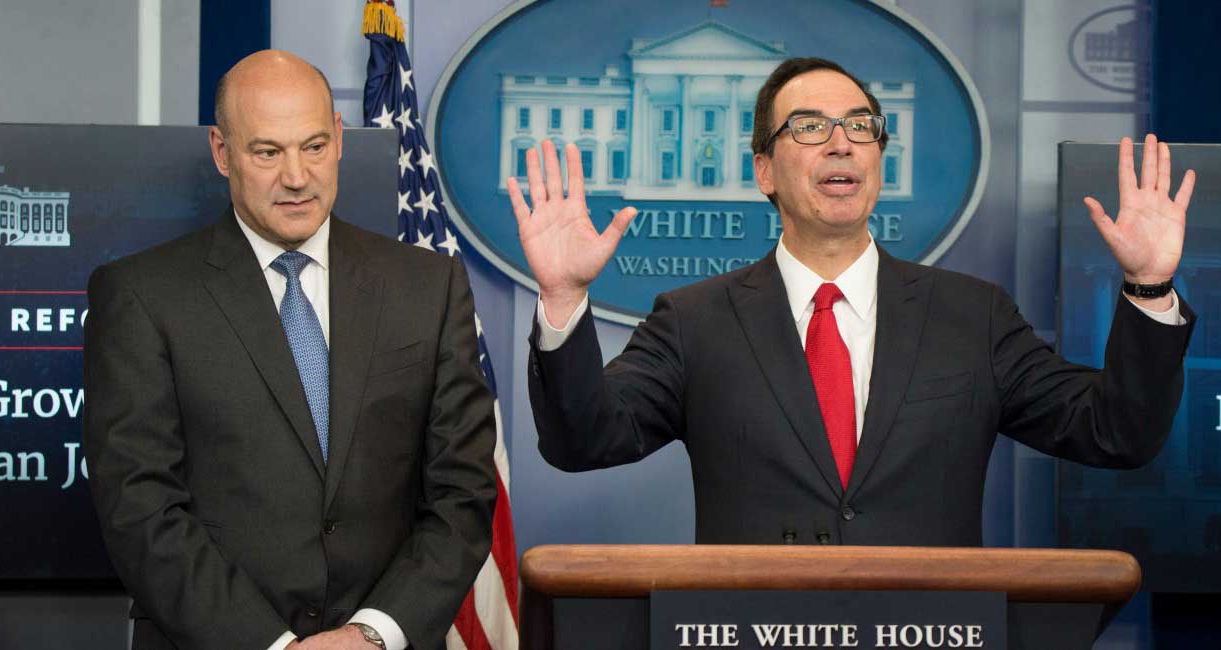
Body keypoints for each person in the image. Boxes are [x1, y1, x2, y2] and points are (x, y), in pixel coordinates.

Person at [507, 57, 1197, 546]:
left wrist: (1148, 288)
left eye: (861, 126)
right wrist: (564, 297)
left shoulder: (973, 316)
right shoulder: (694, 322)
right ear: (764, 170)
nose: (841, 143)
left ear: (878, 159)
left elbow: (1116, 434)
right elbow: (584, 441)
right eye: (809, 127)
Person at [84, 50, 496, 650]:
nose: (297, 177)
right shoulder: (141, 296)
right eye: (267, 152)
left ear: (339, 139)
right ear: (222, 152)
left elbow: (463, 494)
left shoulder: (428, 287)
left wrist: (369, 635)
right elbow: (141, 507)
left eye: (314, 146)